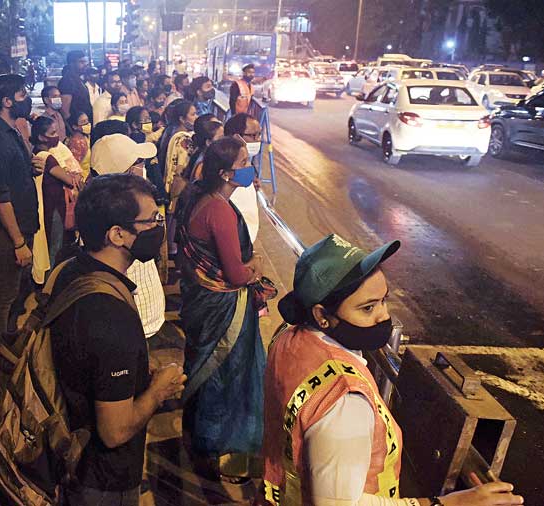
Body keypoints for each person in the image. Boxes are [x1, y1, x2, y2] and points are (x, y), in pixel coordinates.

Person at [262, 235, 525, 506]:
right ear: (322, 316)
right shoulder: (345, 399)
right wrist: (447, 503)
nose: (383, 316)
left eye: (383, 301)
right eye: (367, 308)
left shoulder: (288, 337)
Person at [50, 173, 187, 505]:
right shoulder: (112, 317)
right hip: (102, 479)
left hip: (65, 450)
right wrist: (158, 390)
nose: (159, 227)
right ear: (117, 234)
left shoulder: (70, 270)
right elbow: (114, 432)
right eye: (151, 220)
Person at [175, 137, 267, 483]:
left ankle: (199, 440)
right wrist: (254, 266)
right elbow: (236, 273)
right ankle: (213, 452)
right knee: (222, 376)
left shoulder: (195, 196)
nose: (250, 166)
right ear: (227, 173)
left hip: (201, 303)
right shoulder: (219, 211)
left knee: (202, 370)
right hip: (224, 309)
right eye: (244, 161)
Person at [0, 73, 41, 339]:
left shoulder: (13, 131)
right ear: (6, 101)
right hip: (8, 233)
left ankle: (8, 339)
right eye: (22, 95)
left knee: (17, 290)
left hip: (23, 225)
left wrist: (30, 168)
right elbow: (0, 197)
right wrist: (17, 242)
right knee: (4, 296)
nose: (26, 100)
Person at [90, 134, 165, 340]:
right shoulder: (120, 217)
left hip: (142, 316)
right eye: (138, 162)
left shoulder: (97, 205)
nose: (143, 167)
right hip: (134, 320)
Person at [30, 116, 83, 276]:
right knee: (54, 248)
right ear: (41, 136)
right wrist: (72, 176)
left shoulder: (37, 153)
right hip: (53, 208)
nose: (56, 136)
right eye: (52, 132)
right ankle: (49, 286)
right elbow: (69, 179)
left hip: (49, 205)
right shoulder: (47, 158)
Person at [183, 114, 223, 183]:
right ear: (209, 142)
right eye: (220, 138)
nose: (225, 141)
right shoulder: (204, 165)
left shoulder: (200, 152)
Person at [59, 51, 93, 122]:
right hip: (76, 126)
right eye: (81, 62)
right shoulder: (67, 81)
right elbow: (65, 111)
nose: (85, 65)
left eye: (85, 62)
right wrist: (72, 129)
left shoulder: (78, 79)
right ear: (72, 63)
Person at [66, 109, 92, 179]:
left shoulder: (86, 137)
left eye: (87, 120)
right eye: (83, 122)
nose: (87, 123)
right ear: (75, 126)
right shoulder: (77, 142)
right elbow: (73, 168)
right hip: (81, 180)